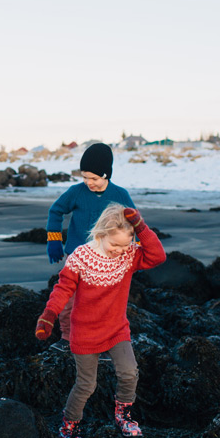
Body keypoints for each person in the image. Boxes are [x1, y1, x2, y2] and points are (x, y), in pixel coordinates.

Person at [35, 204, 166, 438]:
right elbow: (63, 290)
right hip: (85, 333)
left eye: (125, 245)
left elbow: (158, 256)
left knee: (129, 373)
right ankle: (69, 426)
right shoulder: (81, 258)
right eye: (114, 245)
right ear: (101, 234)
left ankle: (123, 415)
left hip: (117, 329)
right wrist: (48, 315)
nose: (119, 250)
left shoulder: (129, 255)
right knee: (86, 385)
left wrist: (141, 226)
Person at [46, 143, 136, 347]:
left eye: (94, 178)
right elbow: (56, 211)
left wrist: (134, 250)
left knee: (102, 304)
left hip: (108, 259)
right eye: (85, 177)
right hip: (76, 258)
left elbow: (135, 223)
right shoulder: (76, 192)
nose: (89, 182)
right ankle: (67, 338)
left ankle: (103, 341)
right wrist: (54, 240)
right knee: (70, 301)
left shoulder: (120, 195)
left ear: (106, 175)